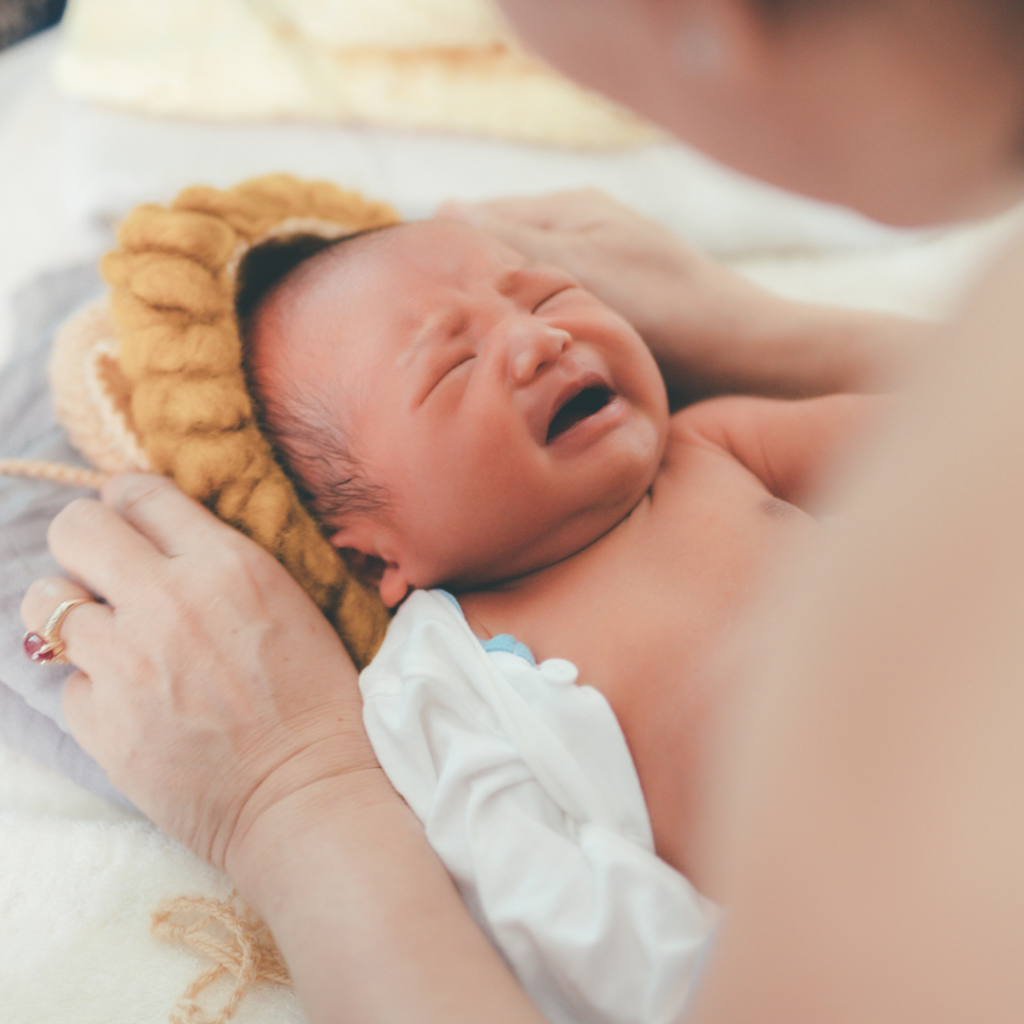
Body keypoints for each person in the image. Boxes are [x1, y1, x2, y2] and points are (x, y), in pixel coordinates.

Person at [19, 2, 1024, 1023]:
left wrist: (757, 334)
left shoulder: (715, 445)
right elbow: (546, 915)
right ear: (372, 561)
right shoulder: (436, 683)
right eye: (453, 363)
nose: (535, 341)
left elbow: (965, 430)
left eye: (544, 297)